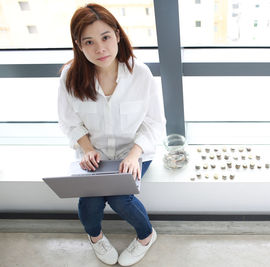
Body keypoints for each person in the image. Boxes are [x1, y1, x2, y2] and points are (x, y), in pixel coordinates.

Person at [57, 3, 166, 266]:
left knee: (120, 197)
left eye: (105, 37)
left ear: (117, 35)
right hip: (93, 157)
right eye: (89, 42)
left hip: (135, 152)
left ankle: (146, 236)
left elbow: (154, 122)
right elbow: (68, 121)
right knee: (89, 202)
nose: (100, 49)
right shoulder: (69, 77)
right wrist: (87, 148)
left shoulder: (140, 74)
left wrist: (133, 155)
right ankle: (95, 237)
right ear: (79, 45)